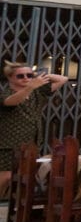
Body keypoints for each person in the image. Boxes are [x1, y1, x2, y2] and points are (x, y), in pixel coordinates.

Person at [0, 60, 70, 196]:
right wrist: (31, 86)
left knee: (24, 176)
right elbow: (12, 101)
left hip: (30, 143)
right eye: (20, 76)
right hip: (8, 144)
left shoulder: (37, 92)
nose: (26, 78)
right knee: (6, 177)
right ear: (10, 77)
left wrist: (37, 74)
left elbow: (63, 79)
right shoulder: (6, 94)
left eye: (28, 75)